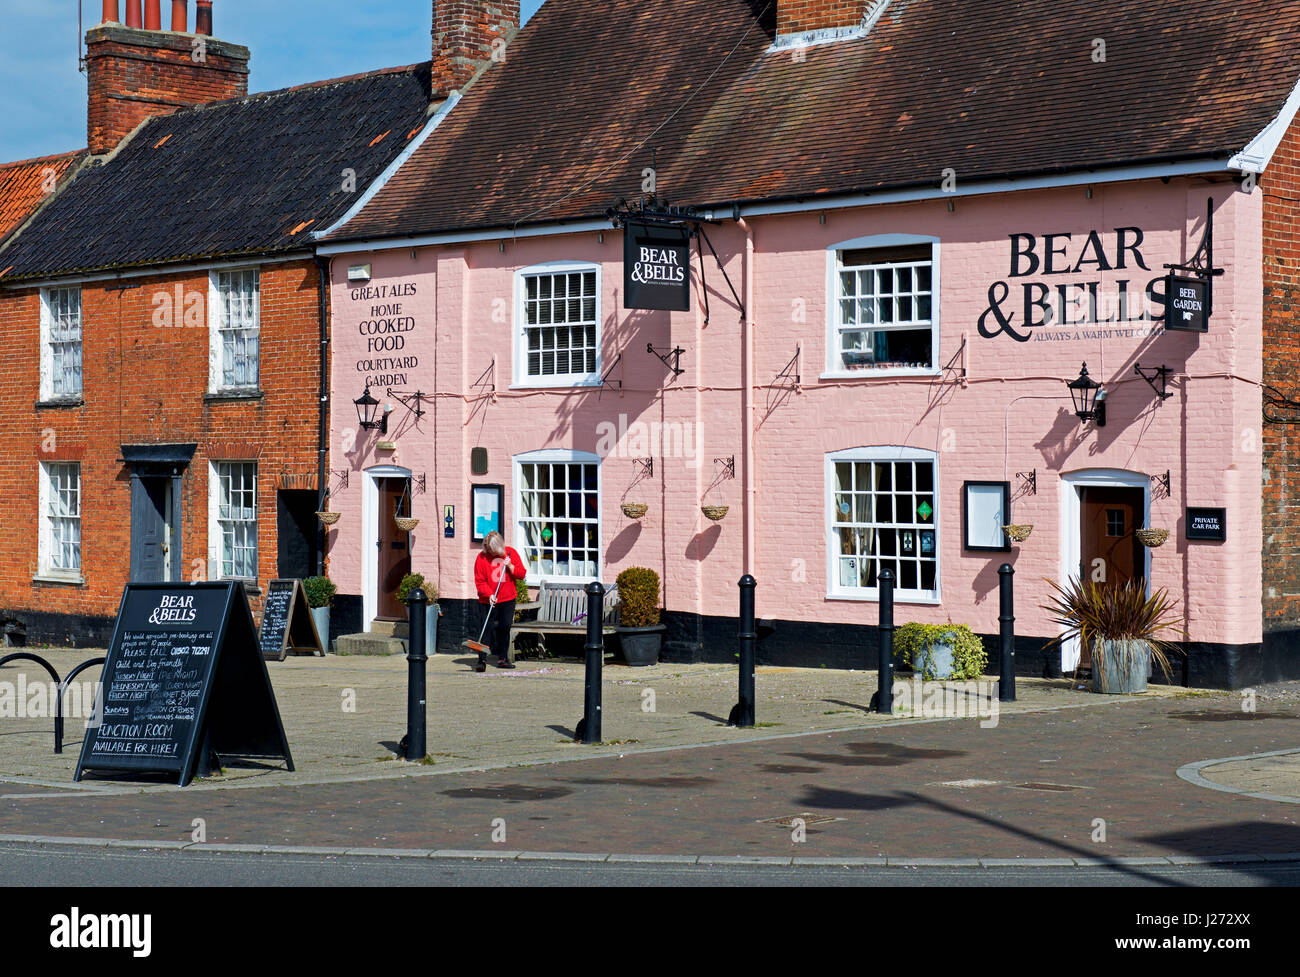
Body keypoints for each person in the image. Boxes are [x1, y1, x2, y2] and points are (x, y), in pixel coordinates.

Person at [473, 531, 527, 671]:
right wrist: (488, 594)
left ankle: (503, 658)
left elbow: (521, 574)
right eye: (488, 550)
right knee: (486, 629)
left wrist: (510, 566)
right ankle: (482, 660)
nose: (490, 552)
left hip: (507, 598)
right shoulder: (482, 558)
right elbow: (480, 580)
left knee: (505, 628)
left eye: (492, 550)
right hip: (488, 600)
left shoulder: (510, 553)